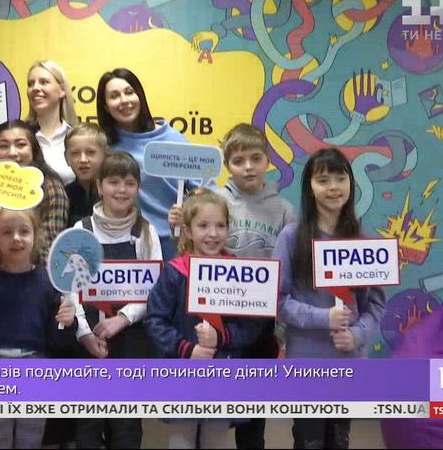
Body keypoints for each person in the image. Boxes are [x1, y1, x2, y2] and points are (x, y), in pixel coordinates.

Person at [169, 123, 295, 449]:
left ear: (268, 160)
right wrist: (177, 226)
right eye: (239, 161)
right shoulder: (215, 200)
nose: (248, 167)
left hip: (261, 323)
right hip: (217, 321)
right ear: (227, 165)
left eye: (256, 158)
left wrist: (281, 327)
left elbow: (288, 270)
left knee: (252, 411)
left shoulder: (284, 210)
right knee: (215, 410)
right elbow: (190, 246)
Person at [272, 148, 386, 449]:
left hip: (348, 362)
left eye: (340, 178)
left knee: (339, 439)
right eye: (323, 180)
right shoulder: (291, 237)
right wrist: (323, 318)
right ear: (310, 187)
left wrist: (357, 334)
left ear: (351, 183)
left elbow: (375, 304)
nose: (333, 187)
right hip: (306, 363)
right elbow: (277, 300)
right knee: (308, 440)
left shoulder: (365, 241)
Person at [146, 190, 261, 449]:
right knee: (181, 439)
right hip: (182, 371)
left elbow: (253, 325)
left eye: (220, 225)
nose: (212, 233)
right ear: (187, 231)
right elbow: (155, 320)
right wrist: (187, 349)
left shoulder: (241, 271)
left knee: (217, 438)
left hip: (225, 371)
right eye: (203, 226)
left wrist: (222, 337)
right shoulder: (175, 273)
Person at [0, 208, 77, 449]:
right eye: (7, 232)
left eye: (23, 231)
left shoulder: (47, 283)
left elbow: (57, 341)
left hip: (35, 369)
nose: (16, 238)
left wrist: (68, 323)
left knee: (30, 440)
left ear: (36, 236)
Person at [73, 151, 162, 449]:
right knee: (88, 424)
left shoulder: (146, 232)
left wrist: (122, 318)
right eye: (113, 182)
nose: (121, 190)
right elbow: (69, 288)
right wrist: (84, 332)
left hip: (131, 340)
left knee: (126, 424)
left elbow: (154, 288)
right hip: (89, 340)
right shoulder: (81, 230)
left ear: (138, 188)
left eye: (129, 183)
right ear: (99, 186)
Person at [96, 68, 190, 260]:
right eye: (114, 96)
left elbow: (203, 190)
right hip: (124, 242)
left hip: (171, 241)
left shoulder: (171, 138)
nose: (124, 100)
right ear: (105, 106)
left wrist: (187, 212)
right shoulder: (104, 144)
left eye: (129, 92)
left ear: (140, 95)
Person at [0, 119, 69, 262]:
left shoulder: (50, 187)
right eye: (4, 146)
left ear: (33, 149)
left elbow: (49, 246)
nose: (12, 153)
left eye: (20, 145)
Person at [26, 60, 78, 184]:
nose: (35, 88)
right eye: (31, 84)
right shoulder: (20, 136)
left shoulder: (76, 136)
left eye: (44, 82)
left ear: (62, 90)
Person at [63, 122, 108, 225]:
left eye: (91, 152)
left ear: (105, 154)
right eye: (75, 153)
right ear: (66, 158)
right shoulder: (64, 195)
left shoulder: (116, 192)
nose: (83, 160)